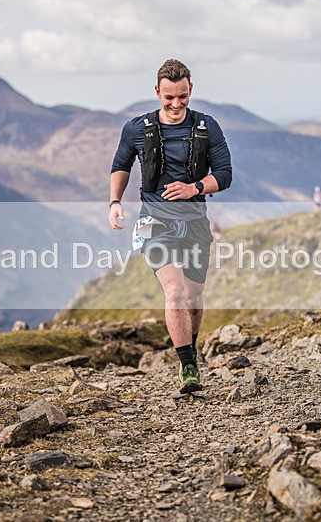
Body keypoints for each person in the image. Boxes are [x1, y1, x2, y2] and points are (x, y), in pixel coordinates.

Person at [108, 59, 233, 394]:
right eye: (169, 98)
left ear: (190, 90)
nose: (176, 105)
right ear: (157, 92)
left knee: (193, 293)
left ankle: (190, 347)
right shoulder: (136, 128)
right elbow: (121, 164)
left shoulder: (208, 127)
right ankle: (188, 367)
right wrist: (115, 202)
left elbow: (224, 174)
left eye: (182, 97)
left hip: (194, 221)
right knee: (174, 291)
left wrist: (195, 188)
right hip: (155, 221)